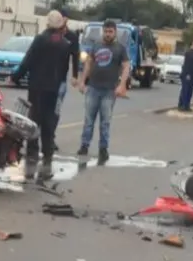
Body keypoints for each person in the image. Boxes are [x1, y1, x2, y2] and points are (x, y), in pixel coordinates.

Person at [12, 11, 72, 181]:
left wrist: (16, 77)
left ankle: (32, 156)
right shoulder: (65, 44)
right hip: (53, 89)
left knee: (34, 122)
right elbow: (64, 70)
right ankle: (47, 158)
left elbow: (28, 61)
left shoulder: (39, 40)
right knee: (48, 123)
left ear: (47, 23)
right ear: (61, 24)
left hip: (37, 87)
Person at [76, 20, 130, 166]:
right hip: (93, 88)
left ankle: (103, 149)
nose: (107, 34)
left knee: (105, 122)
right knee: (88, 120)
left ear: (115, 32)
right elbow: (88, 63)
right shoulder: (96, 45)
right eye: (105, 31)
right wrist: (82, 81)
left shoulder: (120, 48)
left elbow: (126, 67)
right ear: (103, 31)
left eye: (110, 31)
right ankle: (84, 146)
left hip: (109, 91)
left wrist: (122, 85)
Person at [52, 12, 81, 145]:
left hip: (61, 79)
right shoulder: (50, 34)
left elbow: (75, 56)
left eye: (63, 18)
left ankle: (50, 137)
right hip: (46, 78)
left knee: (56, 110)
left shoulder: (71, 37)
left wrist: (75, 76)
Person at [177, 38, 193, 111]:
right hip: (187, 74)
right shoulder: (189, 52)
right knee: (185, 90)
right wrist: (187, 74)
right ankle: (182, 105)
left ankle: (187, 105)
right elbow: (186, 64)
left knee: (190, 91)